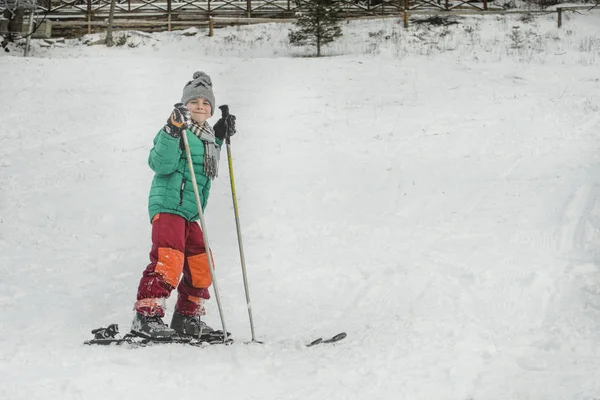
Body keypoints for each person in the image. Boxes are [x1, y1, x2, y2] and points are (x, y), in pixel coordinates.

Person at [131, 71, 236, 340]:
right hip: (168, 206)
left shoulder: (208, 137)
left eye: (205, 103)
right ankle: (147, 316)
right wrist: (171, 130)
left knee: (202, 263)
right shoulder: (177, 131)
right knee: (169, 258)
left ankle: (187, 316)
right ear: (184, 106)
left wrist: (221, 137)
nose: (200, 106)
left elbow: (202, 164)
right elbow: (160, 164)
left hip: (190, 212)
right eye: (194, 102)